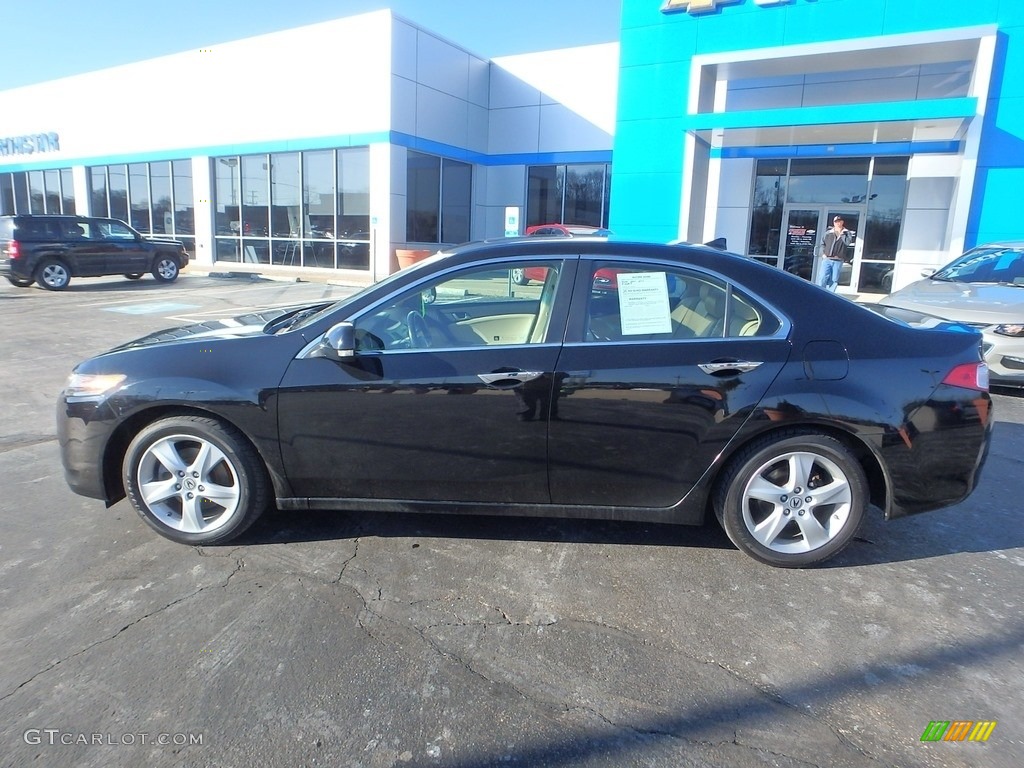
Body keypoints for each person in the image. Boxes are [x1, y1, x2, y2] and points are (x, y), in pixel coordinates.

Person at [817, 215, 852, 291]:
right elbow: (822, 244)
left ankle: (830, 294)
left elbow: (847, 242)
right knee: (823, 277)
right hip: (827, 259)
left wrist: (842, 234)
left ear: (842, 222)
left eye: (839, 222)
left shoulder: (847, 233)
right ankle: (820, 292)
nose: (837, 223)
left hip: (838, 260)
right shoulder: (828, 233)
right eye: (836, 222)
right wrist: (823, 254)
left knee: (834, 279)